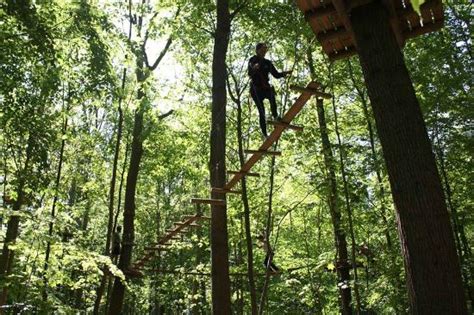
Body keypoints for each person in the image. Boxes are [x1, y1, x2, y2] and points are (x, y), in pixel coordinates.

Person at [248, 43, 291, 138]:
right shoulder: (253, 60)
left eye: (265, 50)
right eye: (262, 50)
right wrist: (254, 68)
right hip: (256, 90)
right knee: (261, 111)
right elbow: (250, 72)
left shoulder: (268, 63)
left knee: (272, 97)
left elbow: (276, 75)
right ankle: (264, 133)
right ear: (257, 50)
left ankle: (275, 116)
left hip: (265, 88)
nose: (264, 52)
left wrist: (285, 73)